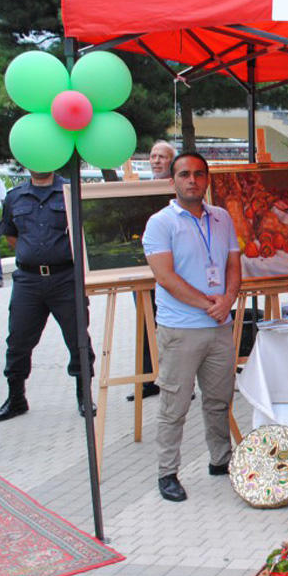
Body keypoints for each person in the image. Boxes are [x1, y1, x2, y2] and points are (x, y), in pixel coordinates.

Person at [142, 152, 241, 503]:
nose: (192, 180)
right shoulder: (160, 223)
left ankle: (221, 459)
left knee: (218, 399)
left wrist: (228, 298)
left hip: (218, 325)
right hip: (182, 328)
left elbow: (233, 264)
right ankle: (167, 472)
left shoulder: (222, 217)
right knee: (175, 403)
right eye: (185, 174)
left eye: (199, 174)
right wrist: (210, 304)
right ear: (173, 181)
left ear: (207, 179)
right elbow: (166, 277)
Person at [0, 169, 95, 422]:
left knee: (78, 338)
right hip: (28, 280)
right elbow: (12, 235)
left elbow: (86, 230)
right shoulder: (14, 197)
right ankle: (16, 398)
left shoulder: (71, 191)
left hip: (65, 278)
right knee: (18, 340)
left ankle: (84, 396)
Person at [127, 140, 177, 403]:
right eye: (153, 157)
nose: (156, 161)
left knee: (170, 326)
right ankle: (147, 380)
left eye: (162, 157)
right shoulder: (139, 188)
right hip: (143, 271)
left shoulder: (178, 191)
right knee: (145, 325)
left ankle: (177, 380)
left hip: (174, 272)